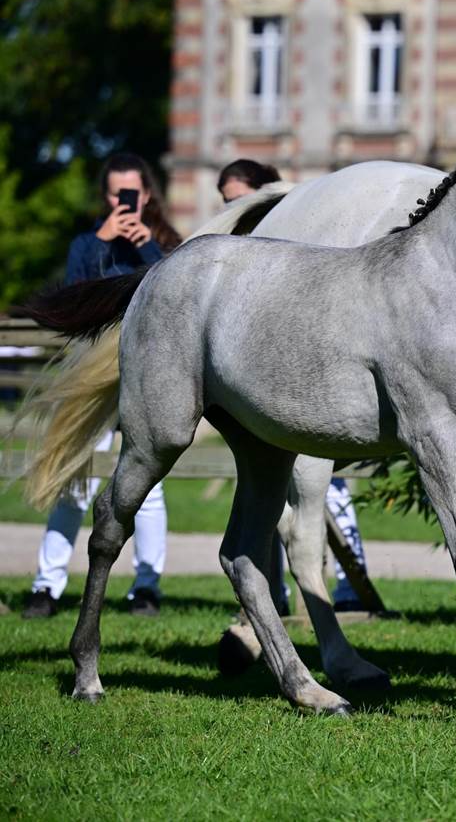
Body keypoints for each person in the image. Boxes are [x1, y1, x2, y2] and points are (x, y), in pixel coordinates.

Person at [23, 152, 181, 619]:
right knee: (75, 482)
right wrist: (101, 243)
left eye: (131, 193)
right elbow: (73, 300)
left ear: (147, 195)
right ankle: (46, 586)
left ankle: (146, 588)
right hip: (91, 381)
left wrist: (147, 248)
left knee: (147, 490)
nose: (124, 202)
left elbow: (177, 299)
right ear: (105, 196)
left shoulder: (166, 245)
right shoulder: (85, 243)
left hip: (145, 379)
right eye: (116, 194)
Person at [216, 159, 368, 611]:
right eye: (225, 202)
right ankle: (277, 595)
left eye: (238, 200)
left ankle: (348, 587)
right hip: (272, 394)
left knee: (326, 493)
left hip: (317, 389)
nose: (231, 210)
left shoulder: (299, 231)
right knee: (270, 497)